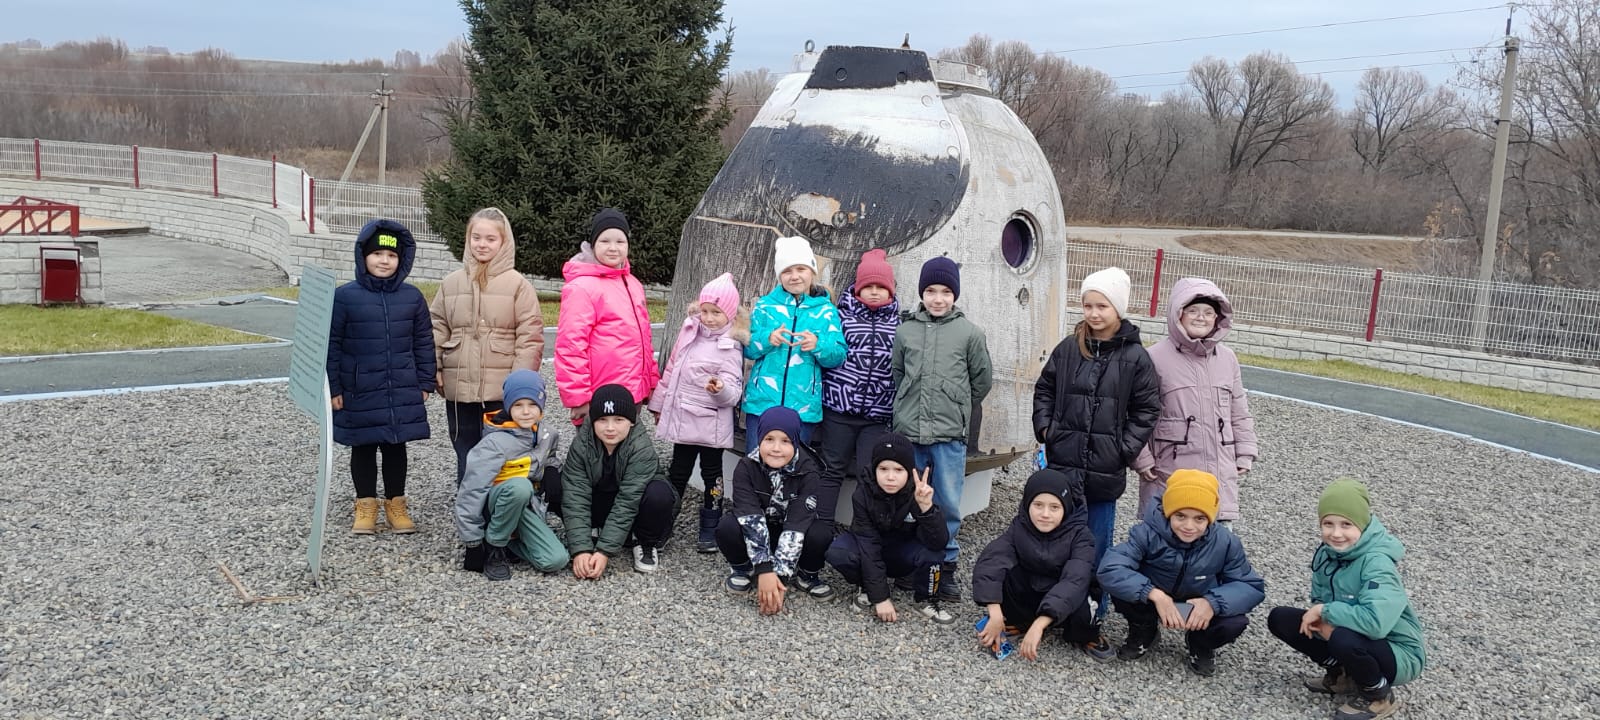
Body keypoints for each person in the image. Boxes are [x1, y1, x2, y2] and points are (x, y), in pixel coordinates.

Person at [1032, 266, 1161, 621]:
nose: (1094, 313)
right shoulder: (1069, 349)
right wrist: (1046, 429)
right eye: (1088, 305)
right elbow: (1044, 388)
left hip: (1104, 471)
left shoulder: (1136, 358)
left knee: (1097, 544)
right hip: (1063, 464)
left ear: (1117, 309)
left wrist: (1124, 448)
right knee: (1053, 538)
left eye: (1102, 306)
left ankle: (1091, 614)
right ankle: (1050, 607)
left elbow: (1148, 408)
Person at [1268, 478, 1426, 720]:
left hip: (1398, 652)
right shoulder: (1326, 553)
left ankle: (1378, 695)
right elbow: (1320, 599)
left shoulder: (1377, 563)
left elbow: (1376, 623)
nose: (1336, 533)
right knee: (1281, 619)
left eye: (1346, 524)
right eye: (1328, 524)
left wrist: (1326, 611)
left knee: (1342, 636)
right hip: (1353, 634)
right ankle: (1343, 675)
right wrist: (1323, 615)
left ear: (1362, 525)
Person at [892, 256, 993, 603]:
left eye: (946, 291)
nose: (938, 298)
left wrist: (957, 402)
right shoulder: (905, 331)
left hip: (949, 434)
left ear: (955, 295)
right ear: (922, 293)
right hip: (909, 430)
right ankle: (911, 562)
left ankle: (945, 566)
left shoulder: (970, 334)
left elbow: (981, 381)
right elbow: (898, 374)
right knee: (909, 499)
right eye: (931, 291)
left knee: (947, 501)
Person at [1097, 469, 1265, 677]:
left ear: (1210, 519)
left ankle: (1200, 642)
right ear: (1168, 512)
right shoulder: (1147, 533)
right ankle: (1144, 630)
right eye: (1180, 516)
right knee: (1123, 588)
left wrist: (1211, 603)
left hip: (1196, 607)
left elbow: (1250, 585)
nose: (1189, 526)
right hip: (1154, 603)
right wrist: (1154, 594)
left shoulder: (1226, 542)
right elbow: (1110, 568)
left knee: (1235, 622)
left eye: (1199, 519)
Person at [327, 219, 435, 535]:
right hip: (359, 388)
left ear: (402, 260)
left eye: (391, 255)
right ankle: (365, 506)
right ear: (363, 257)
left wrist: (426, 381)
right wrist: (334, 385)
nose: (384, 261)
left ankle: (396, 505)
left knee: (395, 447)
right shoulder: (345, 297)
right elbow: (331, 344)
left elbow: (423, 341)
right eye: (377, 254)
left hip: (401, 387)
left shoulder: (412, 298)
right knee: (362, 447)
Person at [430, 207, 544, 485]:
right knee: (465, 447)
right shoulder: (451, 283)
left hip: (500, 389)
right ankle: (469, 506)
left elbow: (529, 336)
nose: (482, 244)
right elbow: (437, 326)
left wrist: (517, 385)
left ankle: (503, 509)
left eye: (491, 239)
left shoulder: (518, 285)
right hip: (460, 387)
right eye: (476, 237)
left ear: (504, 243)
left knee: (503, 448)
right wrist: (435, 366)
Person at [1133, 278, 1258, 526]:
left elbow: (1239, 411)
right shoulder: (1154, 357)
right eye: (1193, 311)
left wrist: (1245, 451)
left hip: (1218, 471)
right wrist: (1141, 458)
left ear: (1218, 318)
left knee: (1216, 548)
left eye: (1208, 312)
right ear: (1177, 314)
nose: (1201, 317)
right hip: (1169, 470)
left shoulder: (1227, 359)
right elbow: (1135, 413)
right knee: (1163, 548)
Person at [647, 273, 746, 552]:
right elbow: (672, 371)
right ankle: (664, 520)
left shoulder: (731, 345)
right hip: (683, 419)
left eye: (716, 312)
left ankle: (710, 526)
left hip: (711, 423)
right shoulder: (689, 331)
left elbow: (734, 392)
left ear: (729, 314)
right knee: (677, 471)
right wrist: (658, 404)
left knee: (711, 474)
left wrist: (720, 388)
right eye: (705, 311)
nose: (709, 318)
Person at [971, 469, 1113, 662]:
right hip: (1032, 589)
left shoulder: (1081, 536)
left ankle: (1086, 636)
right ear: (1027, 504)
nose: (1045, 514)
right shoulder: (1019, 527)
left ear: (1066, 508)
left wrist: (1040, 624)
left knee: (1083, 601)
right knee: (1006, 572)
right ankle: (1020, 622)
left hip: (1066, 595)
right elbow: (991, 562)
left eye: (1054, 507)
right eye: (1038, 505)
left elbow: (1074, 580)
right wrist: (994, 611)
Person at [544, 384, 677, 576]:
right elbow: (576, 495)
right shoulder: (582, 444)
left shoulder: (641, 447)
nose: (610, 428)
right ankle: (593, 531)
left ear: (631, 421)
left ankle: (645, 541)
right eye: (602, 420)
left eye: (619, 420)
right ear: (592, 421)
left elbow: (628, 501)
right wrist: (581, 549)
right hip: (602, 500)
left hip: (635, 505)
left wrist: (604, 551)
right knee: (559, 484)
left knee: (659, 494)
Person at [716, 407, 835, 614]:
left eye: (785, 441)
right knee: (727, 526)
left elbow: (796, 526)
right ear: (759, 439)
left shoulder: (809, 472)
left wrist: (778, 579)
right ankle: (744, 568)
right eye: (769, 439)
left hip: (790, 529)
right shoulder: (745, 467)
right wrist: (764, 569)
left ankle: (806, 575)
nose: (776, 448)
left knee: (820, 533)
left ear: (796, 442)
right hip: (760, 526)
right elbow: (750, 518)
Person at [825, 432, 952, 624]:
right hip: (872, 548)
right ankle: (866, 587)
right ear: (875, 469)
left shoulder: (919, 491)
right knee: (838, 552)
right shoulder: (862, 493)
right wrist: (881, 598)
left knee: (933, 553)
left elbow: (940, 541)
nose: (890, 477)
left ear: (909, 472)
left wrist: (927, 508)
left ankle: (926, 599)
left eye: (898, 470)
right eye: (883, 468)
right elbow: (868, 543)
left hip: (901, 554)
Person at [815, 248, 900, 530]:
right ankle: (822, 527)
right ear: (857, 289)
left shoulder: (899, 325)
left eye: (881, 288)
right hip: (840, 410)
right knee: (831, 469)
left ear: (891, 291)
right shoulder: (841, 318)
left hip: (877, 415)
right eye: (868, 287)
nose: (874, 293)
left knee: (869, 473)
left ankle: (863, 531)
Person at [454, 370, 567, 580]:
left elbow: (549, 457)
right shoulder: (494, 443)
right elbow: (471, 491)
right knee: (519, 488)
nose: (526, 412)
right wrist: (472, 542)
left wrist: (551, 470)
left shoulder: (547, 434)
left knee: (556, 560)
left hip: (526, 506)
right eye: (518, 405)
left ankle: (510, 545)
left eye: (532, 405)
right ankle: (494, 545)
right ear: (508, 406)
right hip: (497, 506)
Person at [556, 208, 659, 427]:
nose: (613, 248)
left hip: (632, 393)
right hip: (599, 395)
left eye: (620, 241)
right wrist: (579, 397)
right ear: (593, 244)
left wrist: (649, 383)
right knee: (596, 458)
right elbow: (571, 345)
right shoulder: (581, 287)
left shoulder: (633, 284)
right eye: (605, 241)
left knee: (628, 457)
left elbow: (644, 340)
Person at [741, 235, 846, 450]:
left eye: (801, 269)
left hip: (803, 406)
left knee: (794, 467)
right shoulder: (765, 306)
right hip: (762, 403)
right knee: (755, 462)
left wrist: (818, 345)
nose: (794, 276)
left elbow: (838, 356)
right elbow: (747, 348)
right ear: (779, 275)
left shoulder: (826, 311)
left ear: (812, 271)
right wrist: (767, 339)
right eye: (787, 271)